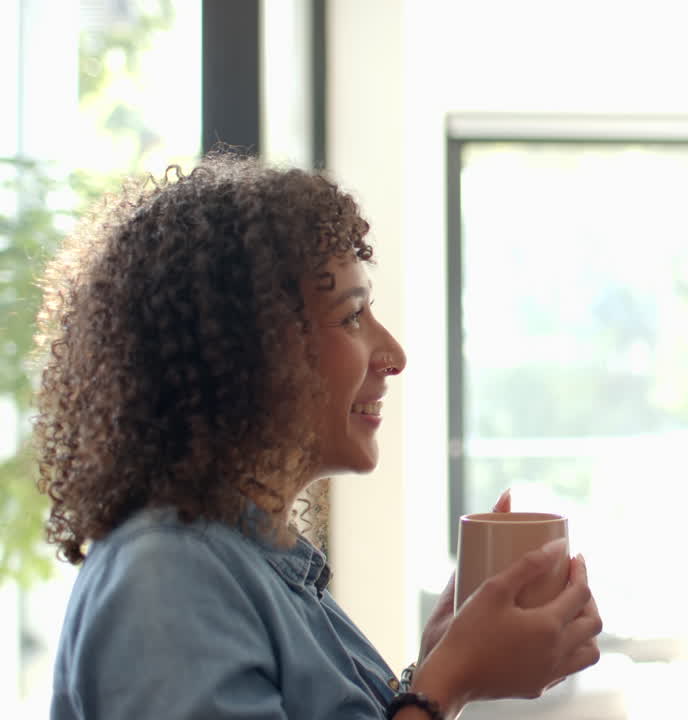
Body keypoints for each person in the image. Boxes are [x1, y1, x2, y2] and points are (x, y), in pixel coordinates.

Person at [33, 151, 602, 720]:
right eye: (352, 316)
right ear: (251, 353)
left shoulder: (255, 565)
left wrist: (438, 666)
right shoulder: (166, 576)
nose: (393, 355)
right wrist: (445, 685)